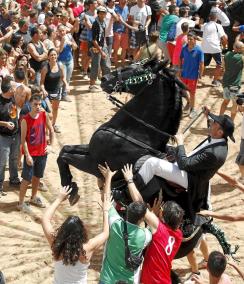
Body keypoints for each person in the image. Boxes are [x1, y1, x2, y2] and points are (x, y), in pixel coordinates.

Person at [133, 108, 235, 221]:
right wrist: (208, 115)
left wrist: (180, 143)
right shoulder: (219, 139)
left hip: (190, 179)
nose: (211, 122)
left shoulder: (215, 154)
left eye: (214, 122)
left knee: (151, 163)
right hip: (191, 168)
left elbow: (184, 165)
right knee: (165, 146)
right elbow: (213, 128)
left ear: (220, 132)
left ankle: (132, 191)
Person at [41, 163, 113, 284]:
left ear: (63, 230)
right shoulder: (87, 248)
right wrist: (106, 210)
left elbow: (45, 219)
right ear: (81, 232)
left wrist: (59, 198)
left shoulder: (56, 244)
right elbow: (106, 233)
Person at [122, 164, 184, 284]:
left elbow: (140, 204)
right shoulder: (179, 235)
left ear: (163, 217)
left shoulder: (159, 229)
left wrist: (129, 180)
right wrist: (155, 216)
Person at [99, 165, 152, 283]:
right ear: (142, 219)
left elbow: (107, 199)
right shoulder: (145, 236)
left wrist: (108, 178)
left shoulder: (115, 224)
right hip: (129, 281)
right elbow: (148, 219)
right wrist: (130, 180)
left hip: (107, 279)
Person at [17, 94, 54, 212]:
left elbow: (51, 130)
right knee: (26, 179)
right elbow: (23, 141)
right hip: (31, 155)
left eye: (39, 104)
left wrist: (51, 146)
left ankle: (33, 197)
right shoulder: (25, 120)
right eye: (35, 104)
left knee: (37, 177)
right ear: (30, 104)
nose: (38, 107)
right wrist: (27, 155)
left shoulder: (44, 115)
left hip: (42, 153)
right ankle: (21, 203)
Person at [0, 78, 21, 196]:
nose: (16, 88)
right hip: (3, 137)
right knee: (2, 162)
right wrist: (5, 124)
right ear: (9, 89)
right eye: (14, 87)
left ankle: (14, 179)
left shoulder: (13, 98)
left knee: (14, 158)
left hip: (15, 135)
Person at [40, 48, 69, 133]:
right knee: (49, 111)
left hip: (57, 91)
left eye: (55, 55)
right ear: (48, 57)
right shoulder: (45, 68)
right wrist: (43, 90)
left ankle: (53, 125)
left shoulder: (61, 66)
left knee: (55, 109)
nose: (53, 56)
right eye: (51, 55)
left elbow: (63, 78)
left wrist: (66, 85)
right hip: (47, 92)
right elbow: (41, 83)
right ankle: (47, 129)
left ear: (57, 56)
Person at [179, 32, 204, 118]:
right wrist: (179, 69)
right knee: (182, 90)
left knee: (192, 93)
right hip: (183, 74)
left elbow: (201, 64)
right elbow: (180, 58)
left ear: (195, 40)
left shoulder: (199, 50)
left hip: (193, 76)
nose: (189, 41)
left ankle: (192, 110)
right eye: (188, 39)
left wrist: (201, 74)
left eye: (191, 39)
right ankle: (188, 101)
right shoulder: (184, 48)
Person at [201, 12, 228, 87]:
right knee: (219, 65)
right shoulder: (218, 26)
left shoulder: (205, 25)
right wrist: (225, 46)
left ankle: (197, 77)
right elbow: (224, 38)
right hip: (215, 48)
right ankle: (215, 81)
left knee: (203, 64)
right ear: (216, 19)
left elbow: (201, 28)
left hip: (205, 48)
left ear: (209, 18)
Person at [219, 41, 244, 121]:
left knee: (225, 102)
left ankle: (220, 119)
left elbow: (223, 66)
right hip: (235, 85)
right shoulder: (241, 58)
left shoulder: (226, 55)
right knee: (234, 104)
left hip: (226, 82)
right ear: (240, 49)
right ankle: (231, 122)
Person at [89, 6, 111, 93]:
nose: (102, 14)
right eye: (100, 13)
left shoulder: (104, 22)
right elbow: (93, 40)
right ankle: (91, 85)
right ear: (98, 13)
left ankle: (106, 83)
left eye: (104, 13)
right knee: (95, 66)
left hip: (102, 45)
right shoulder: (95, 24)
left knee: (106, 65)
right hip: (95, 47)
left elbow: (103, 35)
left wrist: (104, 46)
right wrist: (101, 51)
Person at [113, 0, 129, 67]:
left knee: (124, 48)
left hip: (124, 31)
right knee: (116, 49)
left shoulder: (127, 7)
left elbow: (127, 18)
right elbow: (115, 20)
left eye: (125, 0)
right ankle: (116, 64)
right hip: (117, 31)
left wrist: (127, 28)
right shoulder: (115, 8)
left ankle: (122, 63)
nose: (124, 1)